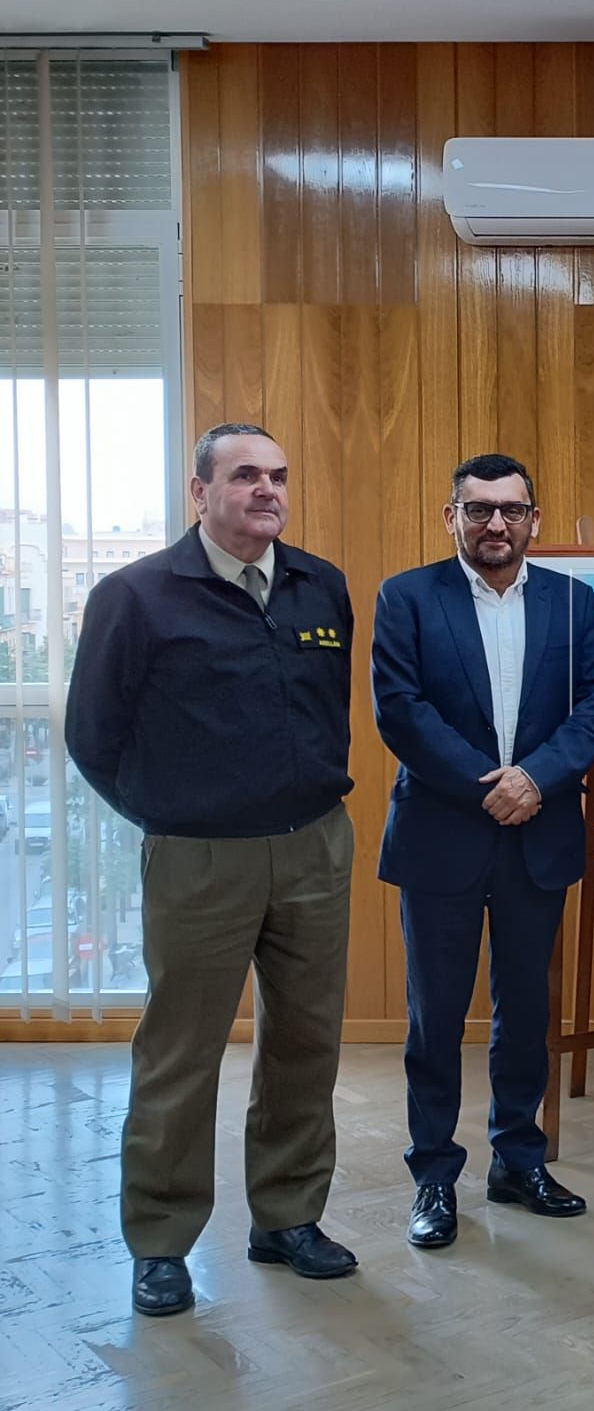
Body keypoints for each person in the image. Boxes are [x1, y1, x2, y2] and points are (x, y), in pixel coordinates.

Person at [67, 424, 358, 1318]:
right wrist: (170, 813)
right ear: (200, 493)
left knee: (307, 1045)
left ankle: (287, 1217)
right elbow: (93, 735)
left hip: (314, 845)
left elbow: (332, 710)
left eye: (278, 475)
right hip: (198, 859)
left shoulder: (321, 585)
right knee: (181, 1054)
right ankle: (160, 1240)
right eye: (244, 476)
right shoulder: (139, 595)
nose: (266, 490)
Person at [371, 453, 594, 1248]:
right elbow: (401, 713)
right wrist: (490, 787)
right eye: (478, 510)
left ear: (533, 520)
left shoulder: (573, 603)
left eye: (511, 510)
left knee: (525, 1013)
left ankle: (519, 1160)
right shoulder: (407, 597)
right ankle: (434, 1179)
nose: (495, 524)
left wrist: (536, 780)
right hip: (442, 836)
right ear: (452, 518)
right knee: (435, 1019)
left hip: (537, 835)